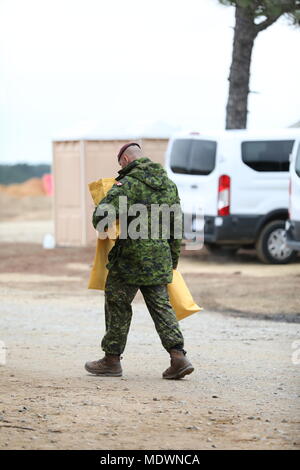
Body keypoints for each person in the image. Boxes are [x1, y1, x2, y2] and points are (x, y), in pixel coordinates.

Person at [84, 142, 194, 379]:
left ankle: (111, 360)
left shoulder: (128, 184)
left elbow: (101, 219)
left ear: (124, 161)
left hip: (130, 258)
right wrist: (172, 260)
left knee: (117, 303)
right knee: (161, 306)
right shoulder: (169, 185)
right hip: (160, 257)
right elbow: (176, 227)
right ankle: (178, 357)